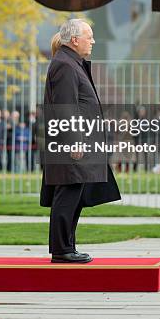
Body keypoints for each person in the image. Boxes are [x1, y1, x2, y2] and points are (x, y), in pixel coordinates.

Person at [40, 19, 121, 263]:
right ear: (75, 40)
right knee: (68, 194)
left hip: (77, 143)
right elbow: (66, 107)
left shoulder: (70, 63)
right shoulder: (65, 65)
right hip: (73, 145)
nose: (93, 41)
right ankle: (63, 250)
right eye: (89, 36)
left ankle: (67, 247)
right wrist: (75, 142)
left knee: (74, 195)